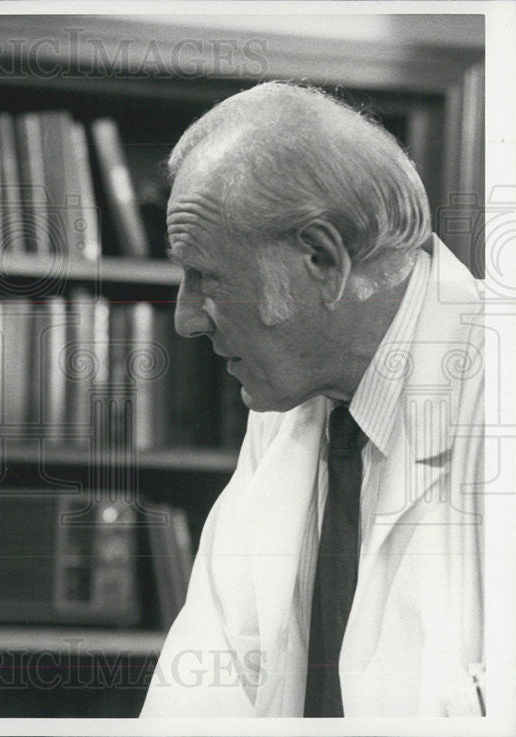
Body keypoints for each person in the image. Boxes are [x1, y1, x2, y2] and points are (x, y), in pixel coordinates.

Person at [141, 82, 484, 717]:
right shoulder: (290, 407)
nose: (186, 320)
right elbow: (200, 696)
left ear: (323, 259)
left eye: (207, 276)